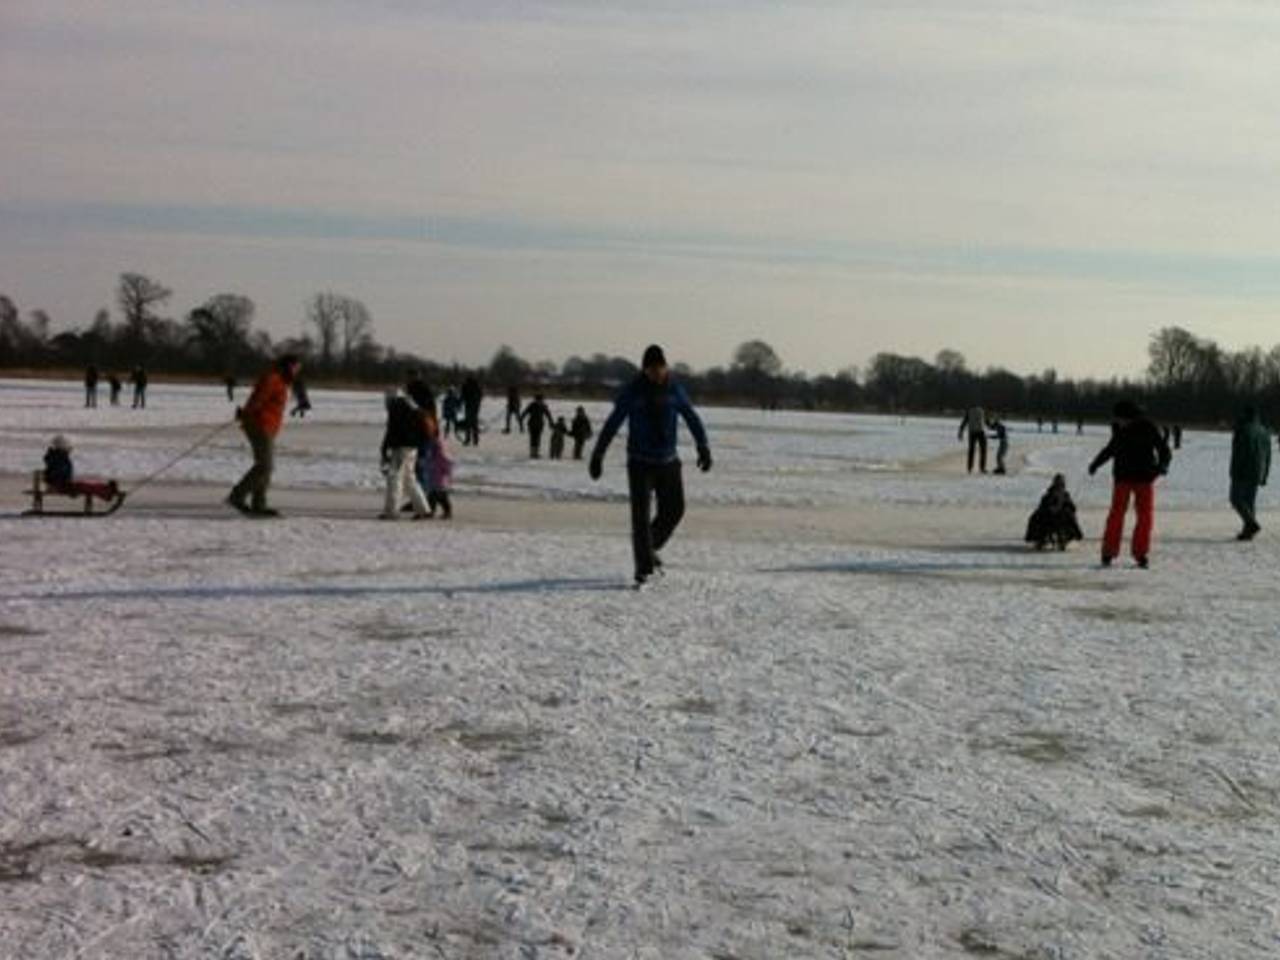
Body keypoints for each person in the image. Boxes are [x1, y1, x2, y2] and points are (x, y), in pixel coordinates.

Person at [589, 344, 711, 587]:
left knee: (674, 510)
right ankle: (643, 568)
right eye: (651, 370)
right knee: (640, 517)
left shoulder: (674, 388)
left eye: (660, 369)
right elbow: (614, 422)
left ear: (666, 367)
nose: (657, 374)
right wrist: (598, 454)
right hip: (640, 463)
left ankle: (649, 547)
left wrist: (703, 446)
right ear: (644, 369)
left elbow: (690, 416)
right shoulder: (633, 391)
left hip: (668, 461)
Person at [1088, 400, 1172, 568]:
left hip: (1144, 478)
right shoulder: (1119, 429)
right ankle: (1108, 552)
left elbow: (1164, 450)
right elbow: (1111, 449)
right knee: (1116, 515)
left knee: (1144, 517)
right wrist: (1096, 463)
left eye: (1120, 419)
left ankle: (1140, 553)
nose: (1118, 422)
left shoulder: (1148, 427)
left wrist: (1162, 466)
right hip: (1123, 478)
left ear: (1130, 417)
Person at [228, 355, 301, 517]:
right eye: (296, 367)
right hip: (259, 425)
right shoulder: (273, 378)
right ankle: (237, 496)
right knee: (265, 466)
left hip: (268, 427)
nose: (297, 371)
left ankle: (258, 504)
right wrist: (246, 413)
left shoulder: (282, 381)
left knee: (265, 468)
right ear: (288, 366)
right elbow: (258, 398)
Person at [380, 389, 431, 520]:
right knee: (410, 479)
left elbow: (391, 431)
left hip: (401, 448)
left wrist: (384, 449)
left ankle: (391, 512)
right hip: (413, 448)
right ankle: (423, 509)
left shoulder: (396, 408)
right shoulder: (413, 407)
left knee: (394, 479)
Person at [1229, 406, 1271, 541]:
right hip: (1258, 471)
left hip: (1242, 470)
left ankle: (1251, 524)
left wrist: (1234, 470)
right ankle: (1248, 531)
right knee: (1249, 501)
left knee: (1236, 499)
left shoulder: (1243, 430)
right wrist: (1265, 474)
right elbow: (1268, 455)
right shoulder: (1264, 431)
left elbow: (1238, 453)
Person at [41, 434, 119, 501]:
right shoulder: (58, 459)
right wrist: (65, 483)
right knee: (84, 486)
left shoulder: (58, 458)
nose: (69, 450)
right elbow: (56, 475)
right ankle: (106, 492)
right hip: (59, 486)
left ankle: (106, 489)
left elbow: (57, 474)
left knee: (86, 485)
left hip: (62, 485)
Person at [1025, 474, 1083, 550]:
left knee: (1068, 517)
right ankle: (1042, 539)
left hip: (1058, 519)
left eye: (1060, 483)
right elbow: (1041, 508)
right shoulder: (1049, 495)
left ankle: (1061, 539)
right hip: (1049, 519)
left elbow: (1072, 508)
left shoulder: (1064, 495)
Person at [522, 393, 553, 458]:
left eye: (540, 400)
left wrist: (551, 422)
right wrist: (521, 418)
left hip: (539, 425)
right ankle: (532, 453)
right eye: (538, 400)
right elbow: (525, 412)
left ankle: (536, 453)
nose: (539, 401)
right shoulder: (531, 405)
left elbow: (548, 415)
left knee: (538, 439)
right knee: (533, 438)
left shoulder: (543, 406)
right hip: (532, 424)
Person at [958, 406, 987, 474]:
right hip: (980, 431)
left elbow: (964, 421)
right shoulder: (981, 410)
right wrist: (993, 426)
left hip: (973, 432)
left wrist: (961, 431)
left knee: (972, 450)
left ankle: (970, 467)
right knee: (982, 450)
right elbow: (986, 420)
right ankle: (981, 468)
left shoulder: (970, 411)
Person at [460, 375, 483, 446]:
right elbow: (480, 395)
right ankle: (475, 440)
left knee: (468, 424)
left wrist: (460, 403)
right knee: (474, 424)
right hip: (475, 407)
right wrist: (478, 403)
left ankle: (468, 439)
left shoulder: (465, 386)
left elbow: (463, 396)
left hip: (469, 406)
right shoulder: (476, 386)